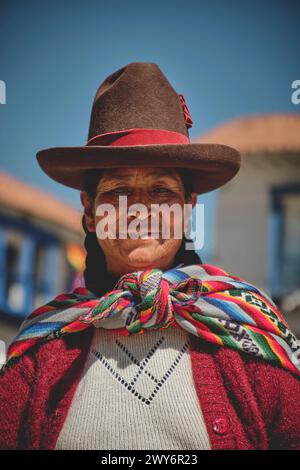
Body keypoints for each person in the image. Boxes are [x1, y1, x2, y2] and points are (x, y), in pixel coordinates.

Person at [0, 62, 299, 450]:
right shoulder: (40, 352)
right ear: (90, 211)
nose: (140, 211)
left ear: (188, 208)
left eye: (161, 191)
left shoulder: (248, 331)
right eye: (118, 190)